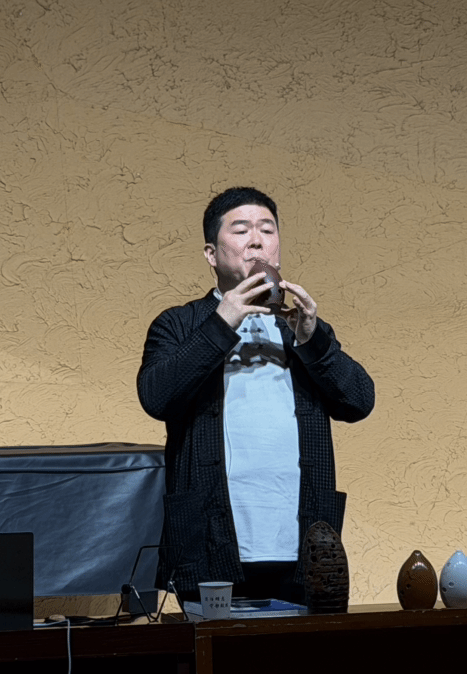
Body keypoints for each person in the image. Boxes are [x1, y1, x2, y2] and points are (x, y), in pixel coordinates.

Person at [137, 186, 375, 603]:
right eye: (241, 230)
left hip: (304, 546)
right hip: (208, 543)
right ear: (211, 254)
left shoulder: (300, 328)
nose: (256, 241)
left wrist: (313, 340)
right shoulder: (178, 324)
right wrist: (222, 322)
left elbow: (359, 401)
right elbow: (157, 397)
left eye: (267, 230)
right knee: (213, 646)